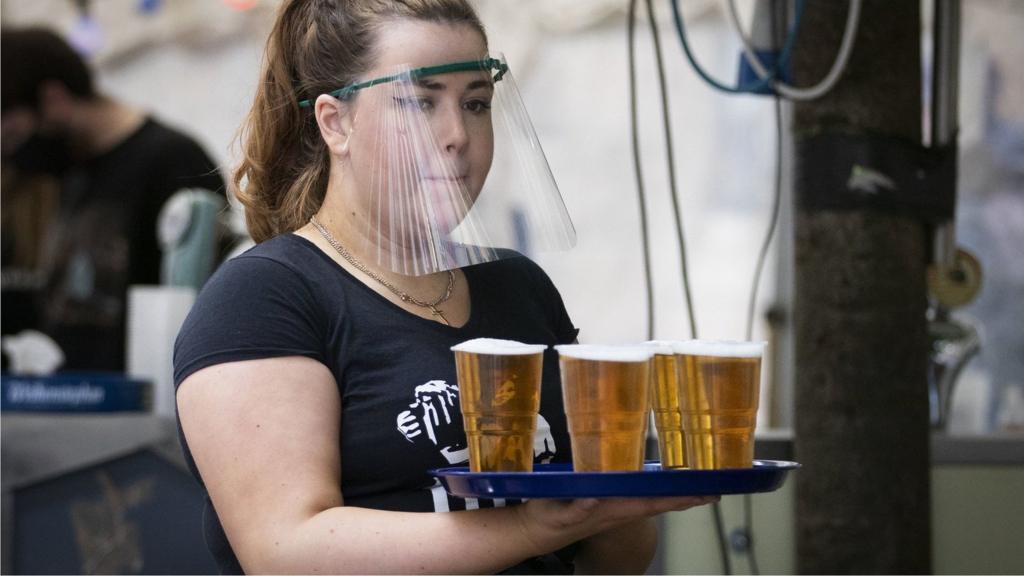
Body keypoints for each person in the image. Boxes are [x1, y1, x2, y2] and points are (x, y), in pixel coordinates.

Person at [173, 1, 717, 573]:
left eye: (476, 103)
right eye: (420, 103)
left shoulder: (518, 288)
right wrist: (529, 526)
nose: (457, 134)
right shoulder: (265, 296)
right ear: (335, 122)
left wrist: (619, 502)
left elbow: (617, 557)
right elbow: (287, 551)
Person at [0, 27, 226, 371]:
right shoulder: (72, 169)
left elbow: (203, 301)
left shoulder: (173, 160)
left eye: (14, 135)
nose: (14, 154)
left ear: (54, 98)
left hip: (139, 407)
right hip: (71, 400)